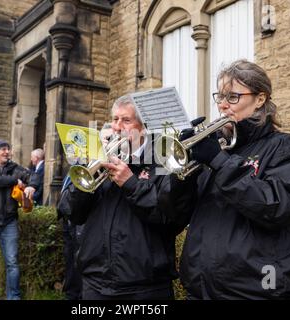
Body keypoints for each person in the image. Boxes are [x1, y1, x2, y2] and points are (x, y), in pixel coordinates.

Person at [178, 59, 290, 299]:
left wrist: (219, 162)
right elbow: (175, 213)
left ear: (260, 99)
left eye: (233, 97)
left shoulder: (284, 147)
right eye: (220, 97)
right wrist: (183, 171)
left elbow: (278, 207)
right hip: (201, 289)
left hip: (254, 290)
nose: (223, 106)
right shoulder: (220, 149)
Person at [57, 95, 194, 300]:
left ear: (143, 127)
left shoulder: (164, 160)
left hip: (144, 287)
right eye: (115, 119)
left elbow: (169, 219)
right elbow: (70, 212)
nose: (117, 127)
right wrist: (89, 172)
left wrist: (130, 183)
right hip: (95, 283)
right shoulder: (100, 158)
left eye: (126, 120)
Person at [0, 139, 39, 300]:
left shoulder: (14, 168)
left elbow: (33, 175)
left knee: (12, 262)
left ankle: (14, 296)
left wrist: (32, 185)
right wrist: (13, 181)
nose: (7, 152)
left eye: (8, 149)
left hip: (9, 222)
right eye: (3, 149)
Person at [57, 175, 83, 300]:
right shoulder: (73, 169)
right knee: (70, 262)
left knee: (78, 264)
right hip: (68, 222)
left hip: (79, 225)